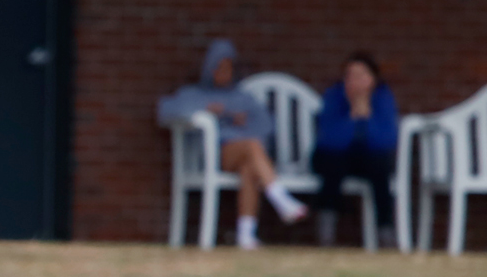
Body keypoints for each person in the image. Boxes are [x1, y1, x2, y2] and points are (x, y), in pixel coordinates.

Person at [159, 39, 307, 249]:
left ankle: (246, 236)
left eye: (228, 68)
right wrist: (206, 110)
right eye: (219, 67)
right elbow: (166, 111)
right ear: (209, 68)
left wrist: (242, 121)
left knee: (249, 166)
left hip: (247, 155)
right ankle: (280, 197)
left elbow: (265, 126)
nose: (224, 73)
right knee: (252, 147)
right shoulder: (195, 94)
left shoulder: (243, 98)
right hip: (213, 155)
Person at [312, 52, 399, 248]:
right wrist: (352, 117)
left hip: (368, 160)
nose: (355, 82)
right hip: (333, 158)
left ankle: (385, 232)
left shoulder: (383, 98)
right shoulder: (334, 96)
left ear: (373, 79)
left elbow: (386, 140)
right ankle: (326, 230)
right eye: (350, 76)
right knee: (334, 163)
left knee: (380, 166)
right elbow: (328, 140)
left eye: (361, 76)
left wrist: (367, 117)